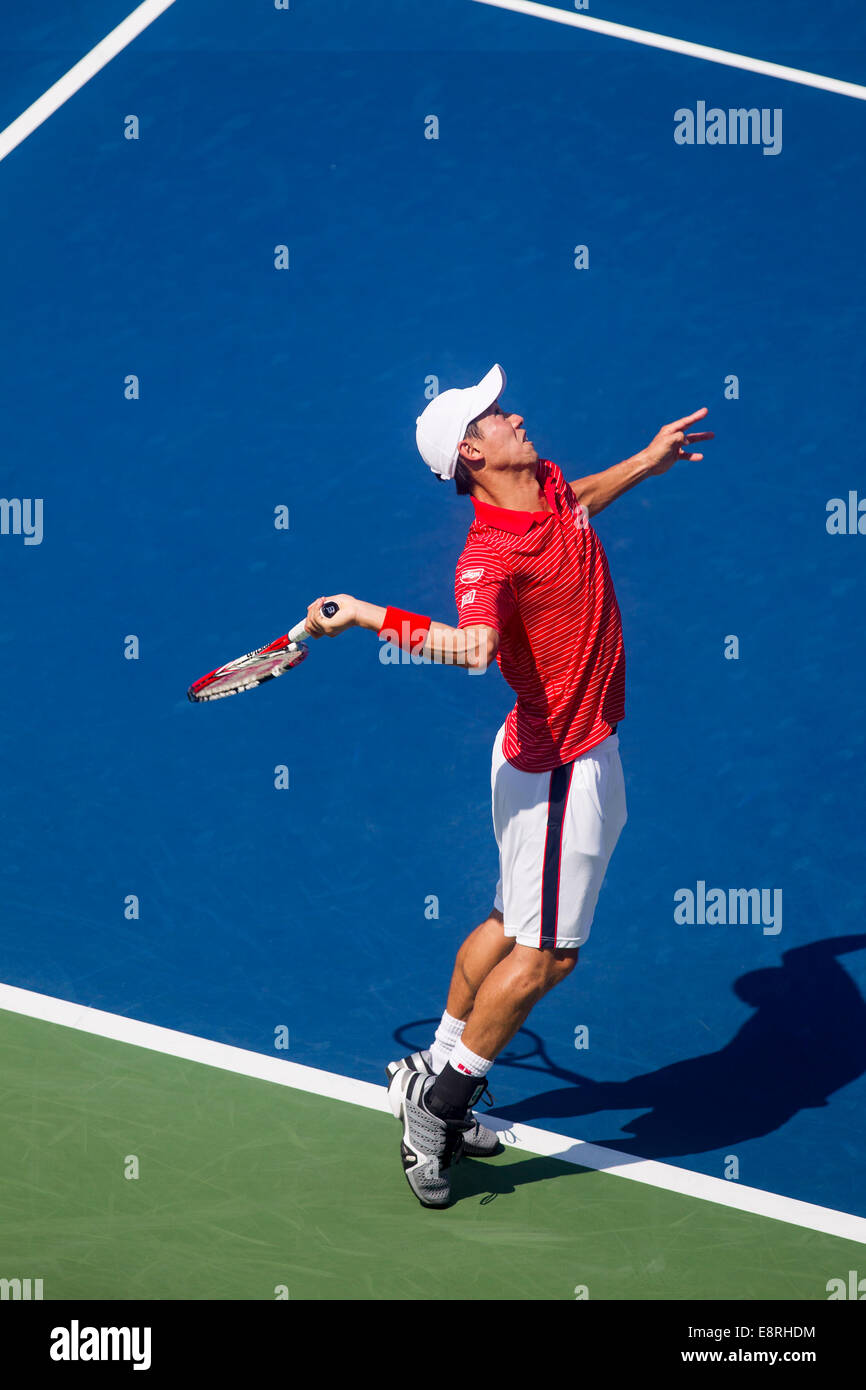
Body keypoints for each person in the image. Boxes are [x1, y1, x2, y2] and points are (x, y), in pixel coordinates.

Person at [304, 363, 713, 1207]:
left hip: (555, 755)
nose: (513, 414)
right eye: (493, 416)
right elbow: (473, 647)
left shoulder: (551, 486)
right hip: (561, 765)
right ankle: (440, 1105)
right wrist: (371, 613)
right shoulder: (487, 555)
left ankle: (434, 1058)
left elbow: (580, 505)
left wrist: (646, 460)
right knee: (548, 954)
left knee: (508, 919)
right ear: (471, 453)